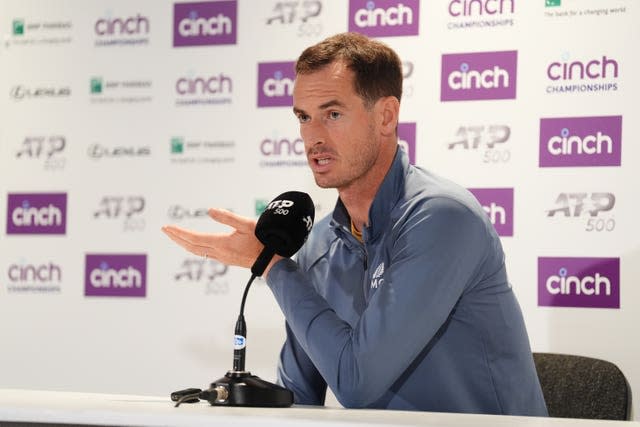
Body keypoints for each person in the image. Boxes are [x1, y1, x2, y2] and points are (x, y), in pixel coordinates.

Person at [162, 32, 548, 416]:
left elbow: (357, 381)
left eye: (332, 114)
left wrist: (275, 266)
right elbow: (296, 398)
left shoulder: (441, 217)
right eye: (303, 117)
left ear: (386, 116)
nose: (313, 137)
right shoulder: (317, 244)